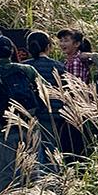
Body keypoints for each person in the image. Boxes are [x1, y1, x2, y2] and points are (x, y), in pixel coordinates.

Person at [0, 35, 43, 192]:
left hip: (3, 130)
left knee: (6, 173)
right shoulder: (27, 70)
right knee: (32, 171)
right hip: (29, 127)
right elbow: (43, 90)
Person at [23, 30, 66, 171]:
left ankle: (39, 181)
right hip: (55, 113)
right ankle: (54, 180)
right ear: (49, 47)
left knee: (34, 150)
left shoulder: (24, 67)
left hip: (32, 114)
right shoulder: (58, 66)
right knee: (52, 149)